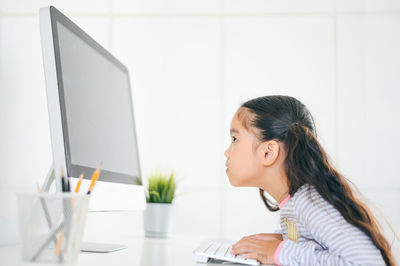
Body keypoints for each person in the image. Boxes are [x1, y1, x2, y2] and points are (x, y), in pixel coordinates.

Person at [225, 95, 395, 265]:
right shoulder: (295, 203)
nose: (227, 152)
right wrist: (287, 242)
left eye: (235, 139)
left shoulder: (310, 202)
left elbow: (368, 262)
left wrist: (280, 252)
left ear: (268, 152)